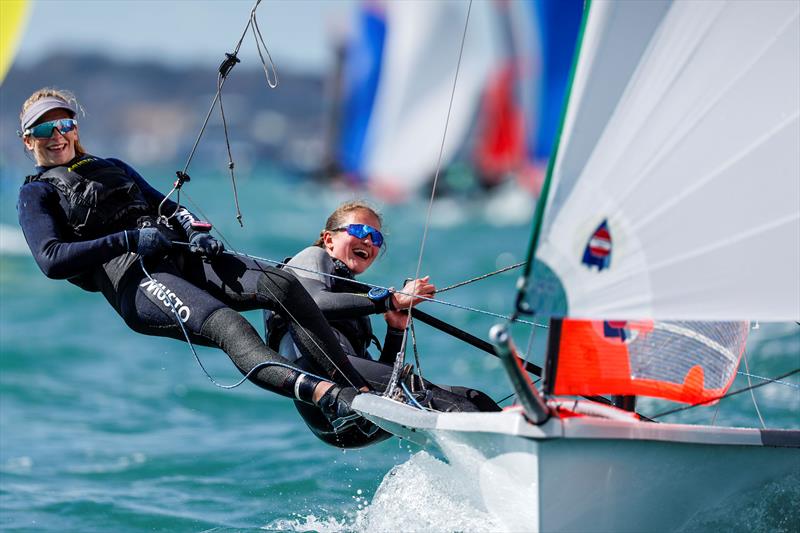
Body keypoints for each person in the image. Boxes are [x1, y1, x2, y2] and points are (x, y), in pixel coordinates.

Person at [16, 87, 378, 440]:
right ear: (28, 140)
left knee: (281, 285)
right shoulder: (36, 193)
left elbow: (171, 208)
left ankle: (353, 385)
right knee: (231, 327)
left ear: (75, 129)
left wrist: (195, 233)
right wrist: (129, 240)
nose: (57, 135)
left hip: (181, 255)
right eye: (45, 129)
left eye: (65, 124)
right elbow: (51, 259)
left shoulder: (111, 167)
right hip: (138, 281)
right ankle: (328, 398)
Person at [267, 201, 501, 447]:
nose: (368, 241)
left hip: (355, 422)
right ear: (329, 239)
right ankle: (510, 457)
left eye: (376, 237)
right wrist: (392, 300)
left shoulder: (349, 297)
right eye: (358, 231)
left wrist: (395, 330)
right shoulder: (311, 257)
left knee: (475, 398)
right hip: (328, 398)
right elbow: (313, 302)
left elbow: (383, 386)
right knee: (453, 406)